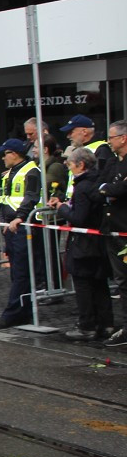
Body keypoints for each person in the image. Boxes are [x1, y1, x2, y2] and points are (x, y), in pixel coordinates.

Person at [47, 148, 113, 340]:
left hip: (84, 243)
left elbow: (79, 218)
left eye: (70, 165)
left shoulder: (83, 187)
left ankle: (87, 326)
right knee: (100, 284)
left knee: (84, 285)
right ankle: (106, 323)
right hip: (99, 242)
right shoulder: (98, 182)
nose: (68, 168)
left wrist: (61, 208)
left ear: (81, 165)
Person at [0, 138, 44, 330]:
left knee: (22, 272)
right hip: (13, 227)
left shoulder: (30, 171)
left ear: (14, 154)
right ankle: (22, 311)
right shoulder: (15, 171)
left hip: (23, 227)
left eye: (5, 154)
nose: (2, 158)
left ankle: (13, 313)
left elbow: (31, 197)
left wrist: (19, 217)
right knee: (18, 272)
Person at [96, 119, 127, 347]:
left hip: (125, 231)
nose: (109, 141)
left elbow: (119, 189)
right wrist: (109, 190)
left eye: (112, 137)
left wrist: (111, 190)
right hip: (112, 230)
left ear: (123, 138)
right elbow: (101, 187)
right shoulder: (113, 163)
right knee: (121, 281)